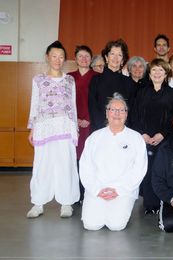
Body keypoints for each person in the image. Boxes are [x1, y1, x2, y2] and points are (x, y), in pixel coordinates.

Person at [26, 40, 80, 218]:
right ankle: (38, 202)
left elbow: (72, 105)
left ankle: (66, 202)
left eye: (61, 57)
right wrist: (32, 128)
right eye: (54, 56)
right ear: (47, 57)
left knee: (66, 164)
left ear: (65, 59)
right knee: (42, 165)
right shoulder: (39, 80)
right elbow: (34, 104)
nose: (58, 60)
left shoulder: (69, 80)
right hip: (44, 127)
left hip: (64, 126)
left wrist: (75, 129)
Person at [79, 93, 147, 231]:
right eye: (113, 110)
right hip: (97, 189)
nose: (117, 113)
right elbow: (85, 167)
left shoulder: (136, 138)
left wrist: (120, 190)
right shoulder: (95, 137)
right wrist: (97, 190)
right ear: (106, 113)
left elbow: (139, 169)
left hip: (124, 190)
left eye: (121, 110)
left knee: (116, 225)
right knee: (91, 225)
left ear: (126, 114)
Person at [131, 58, 173, 214]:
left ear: (166, 74)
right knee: (147, 170)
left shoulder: (171, 93)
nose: (157, 73)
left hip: (165, 138)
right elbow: (134, 115)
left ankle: (163, 203)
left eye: (161, 70)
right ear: (149, 73)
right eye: (154, 70)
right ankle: (149, 204)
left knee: (163, 171)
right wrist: (143, 134)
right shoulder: (141, 92)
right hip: (144, 138)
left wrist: (162, 134)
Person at [68, 45, 98, 202]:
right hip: (73, 124)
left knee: (90, 158)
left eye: (87, 56)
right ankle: (75, 193)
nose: (84, 59)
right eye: (80, 56)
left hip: (92, 124)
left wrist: (89, 119)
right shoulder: (68, 77)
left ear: (91, 59)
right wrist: (76, 120)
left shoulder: (97, 77)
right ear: (75, 59)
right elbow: (65, 103)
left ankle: (89, 192)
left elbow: (99, 103)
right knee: (74, 158)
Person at [88, 39, 136, 132]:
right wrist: (106, 128)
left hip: (123, 130)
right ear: (106, 57)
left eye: (119, 55)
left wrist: (120, 128)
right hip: (100, 130)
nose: (115, 58)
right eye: (112, 54)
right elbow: (93, 108)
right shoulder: (96, 80)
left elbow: (131, 111)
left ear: (123, 60)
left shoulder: (129, 82)